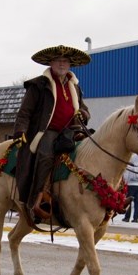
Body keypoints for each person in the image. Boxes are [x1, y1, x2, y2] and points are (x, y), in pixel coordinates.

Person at [13, 45, 92, 222]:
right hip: (46, 132)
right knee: (45, 157)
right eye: (58, 61)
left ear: (70, 64)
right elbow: (24, 113)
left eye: (65, 61)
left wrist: (84, 114)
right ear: (51, 63)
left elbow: (84, 108)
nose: (62, 64)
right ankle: (37, 201)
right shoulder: (39, 85)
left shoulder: (75, 87)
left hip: (70, 131)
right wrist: (20, 132)